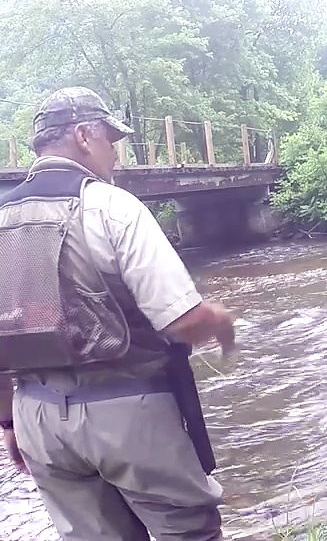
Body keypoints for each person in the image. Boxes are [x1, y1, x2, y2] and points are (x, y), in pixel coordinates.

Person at [0, 87, 237, 541]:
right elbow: (181, 321)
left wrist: (9, 422)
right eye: (112, 140)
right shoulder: (112, 206)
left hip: (37, 418)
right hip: (127, 411)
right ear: (85, 136)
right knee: (188, 532)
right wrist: (221, 322)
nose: (116, 154)